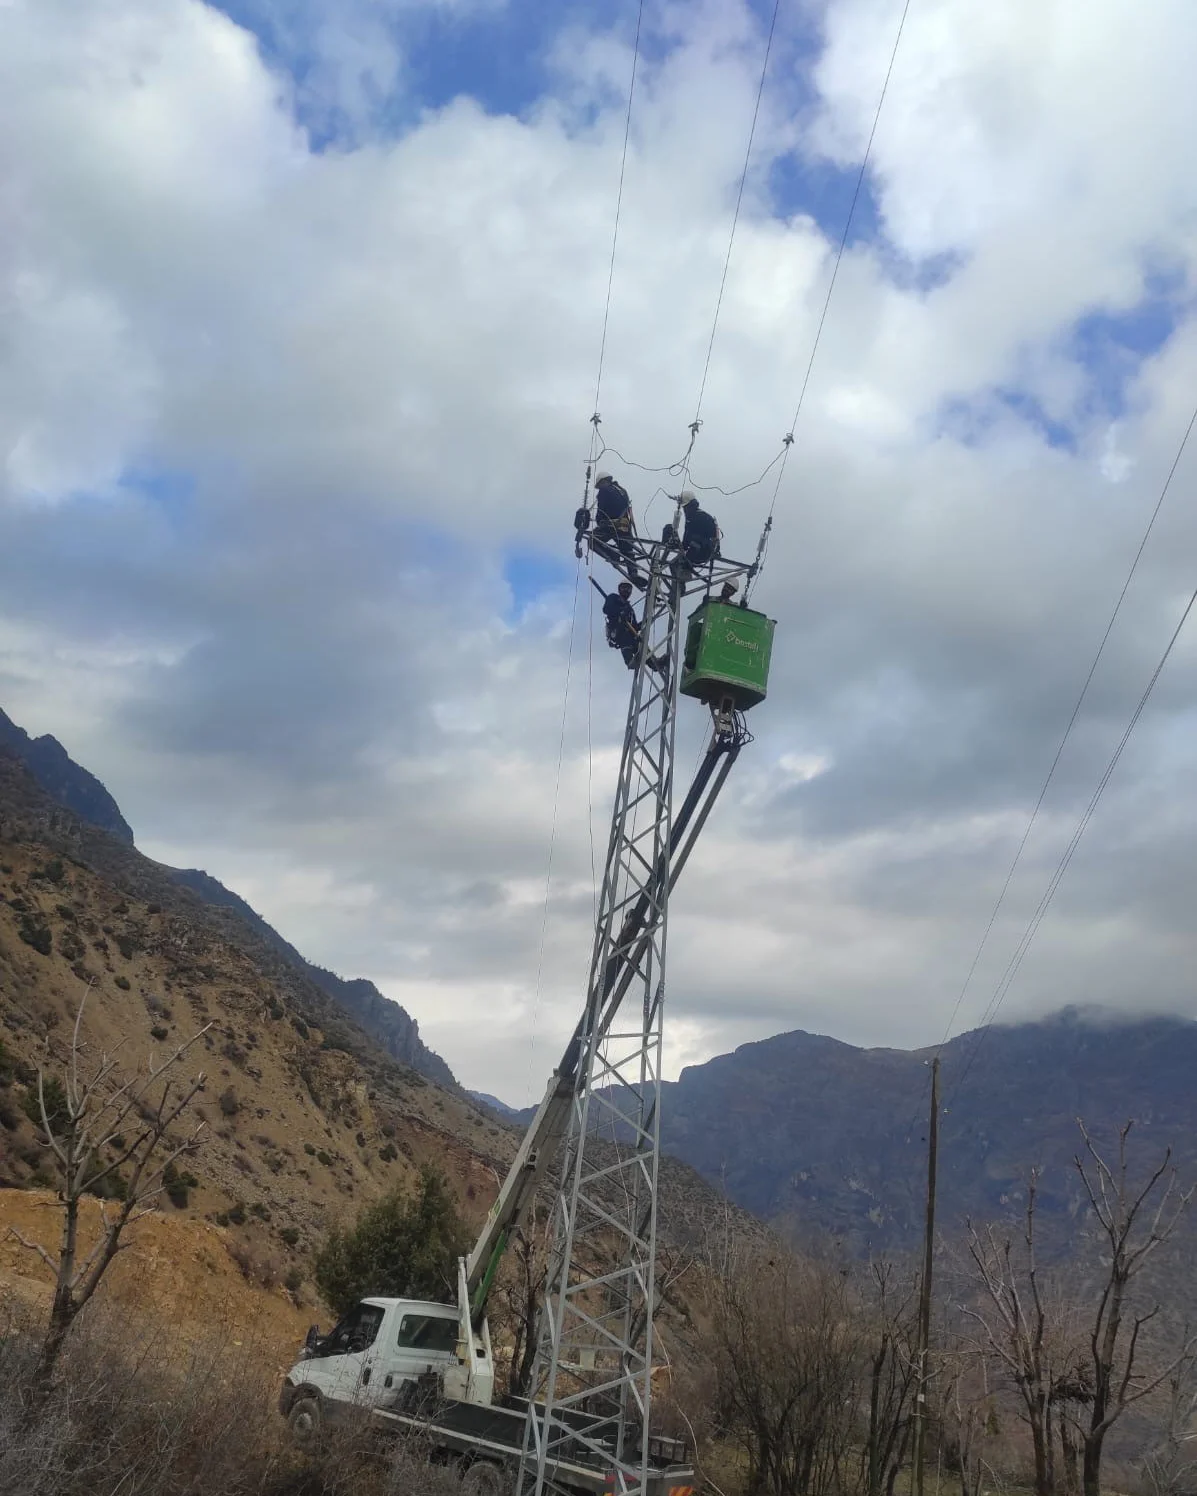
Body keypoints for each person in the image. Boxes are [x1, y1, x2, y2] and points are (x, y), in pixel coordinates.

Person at [603, 582, 665, 675]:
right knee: (626, 637)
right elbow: (606, 609)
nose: (626, 591)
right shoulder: (614, 598)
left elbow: (634, 627)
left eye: (628, 589)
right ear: (619, 589)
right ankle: (629, 661)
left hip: (630, 633)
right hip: (618, 631)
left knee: (640, 644)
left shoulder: (629, 609)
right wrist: (619, 612)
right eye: (624, 588)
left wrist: (645, 622)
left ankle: (654, 663)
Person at [593, 472, 638, 569]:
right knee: (628, 551)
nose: (600, 488)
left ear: (604, 481)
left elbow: (601, 510)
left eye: (600, 485)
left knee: (593, 540)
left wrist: (599, 521)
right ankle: (633, 572)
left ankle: (613, 555)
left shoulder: (604, 491)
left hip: (611, 526)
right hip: (625, 526)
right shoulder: (622, 491)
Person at [679, 492, 721, 568]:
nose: (685, 510)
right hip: (697, 549)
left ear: (691, 505)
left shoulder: (701, 517)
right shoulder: (692, 518)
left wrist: (684, 546)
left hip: (704, 551)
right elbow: (687, 537)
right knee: (668, 528)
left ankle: (685, 567)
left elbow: (689, 536)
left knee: (694, 543)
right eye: (684, 508)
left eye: (686, 507)